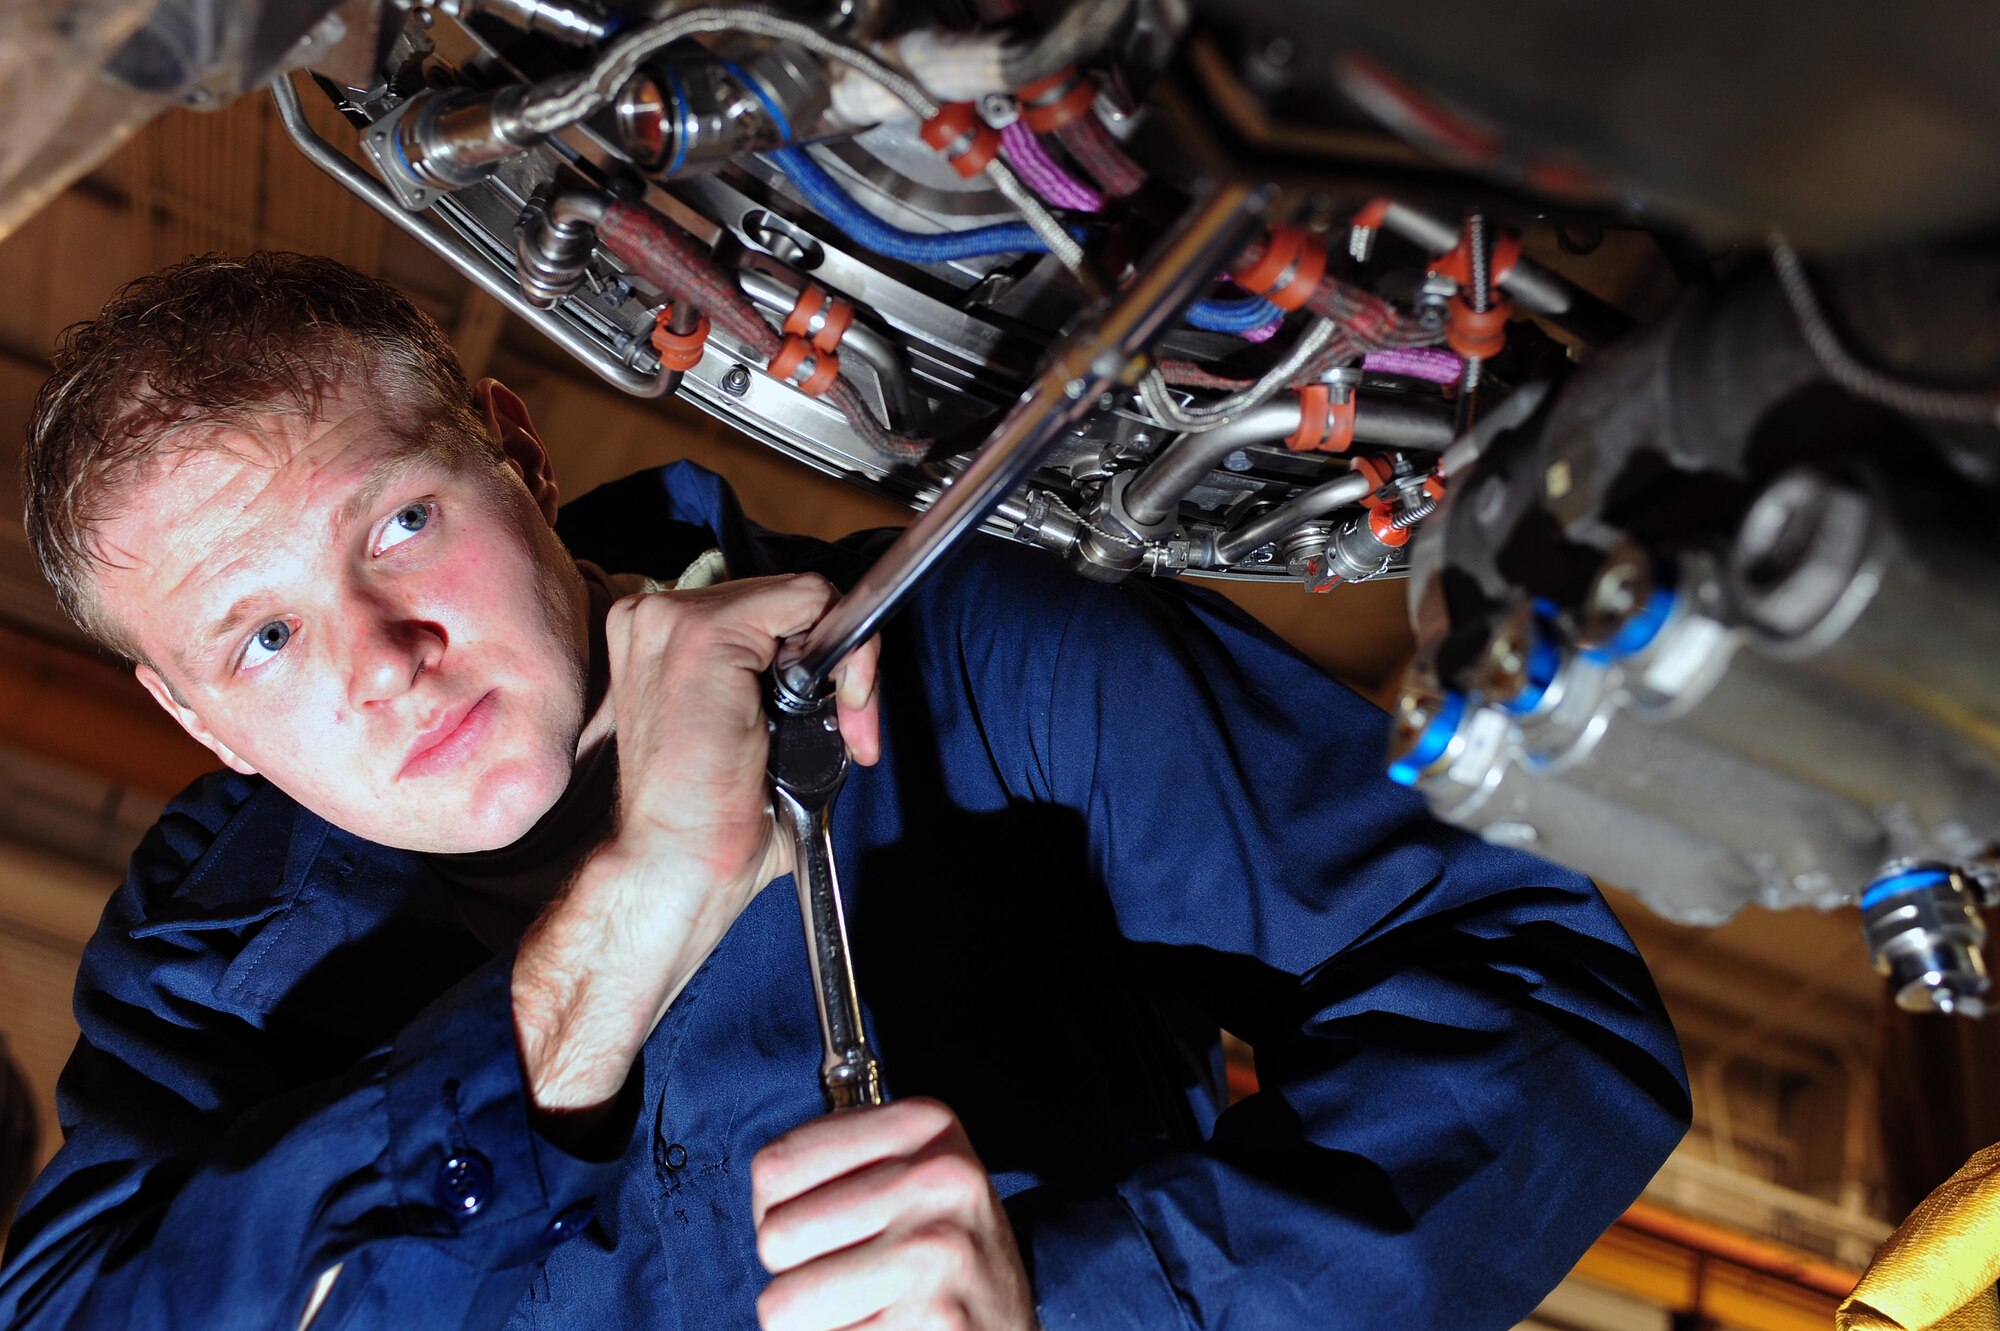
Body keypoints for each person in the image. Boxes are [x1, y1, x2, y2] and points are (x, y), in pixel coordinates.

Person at [0, 252, 1689, 1330]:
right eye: (265, 635)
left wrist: (1093, 1308)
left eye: (397, 525)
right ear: (193, 716)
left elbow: (1541, 1010)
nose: (380, 656)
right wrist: (629, 928)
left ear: (515, 450)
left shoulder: (969, 652)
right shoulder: (199, 955)